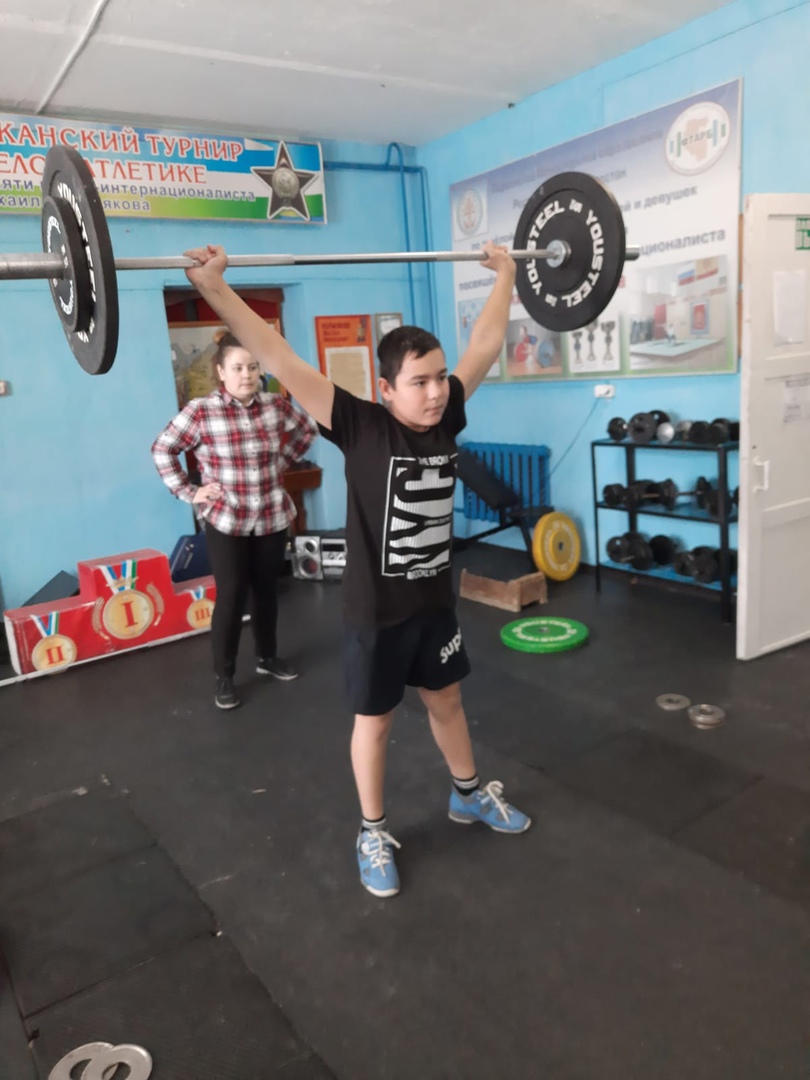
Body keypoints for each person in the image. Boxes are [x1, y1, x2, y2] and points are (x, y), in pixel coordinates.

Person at [181, 242, 530, 897]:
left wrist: (506, 273)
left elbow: (485, 344)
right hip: (377, 613)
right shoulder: (360, 424)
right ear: (386, 389)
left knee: (447, 700)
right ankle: (372, 831)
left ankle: (467, 794)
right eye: (419, 382)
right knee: (377, 721)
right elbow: (281, 359)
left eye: (440, 378)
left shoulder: (447, 416)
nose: (436, 391)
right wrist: (216, 289)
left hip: (434, 603)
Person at [151, 331, 317, 710]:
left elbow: (307, 430)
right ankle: (224, 676)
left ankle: (267, 657)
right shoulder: (201, 411)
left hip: (271, 515)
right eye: (238, 368)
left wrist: (280, 462)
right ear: (221, 372)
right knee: (231, 595)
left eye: (252, 367)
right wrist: (190, 491)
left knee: (266, 591)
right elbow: (163, 449)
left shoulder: (275, 405)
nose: (246, 374)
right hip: (227, 519)